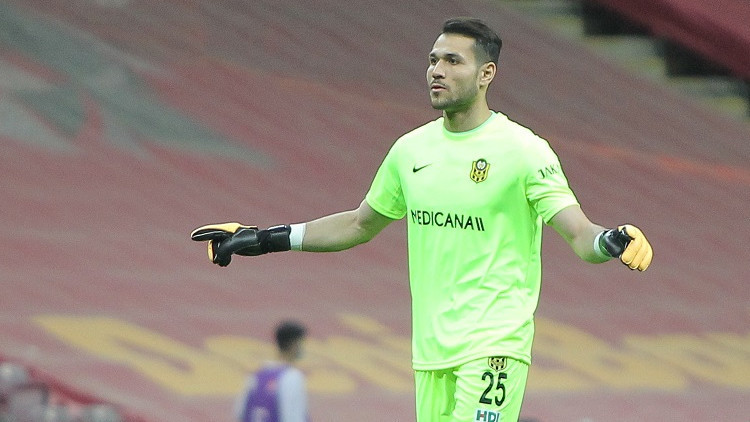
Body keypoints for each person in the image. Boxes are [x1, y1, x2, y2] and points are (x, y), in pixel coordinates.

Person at [194, 17, 653, 422]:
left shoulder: (523, 151)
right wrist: (266, 239)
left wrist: (609, 242)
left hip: (495, 345)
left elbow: (579, 233)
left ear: (486, 74)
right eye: (433, 60)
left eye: (453, 61)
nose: (437, 70)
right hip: (431, 353)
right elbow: (359, 224)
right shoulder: (411, 150)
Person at [233, 321, 309, 422]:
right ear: (294, 344)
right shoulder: (292, 377)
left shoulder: (256, 376)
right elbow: (293, 417)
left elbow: (240, 413)